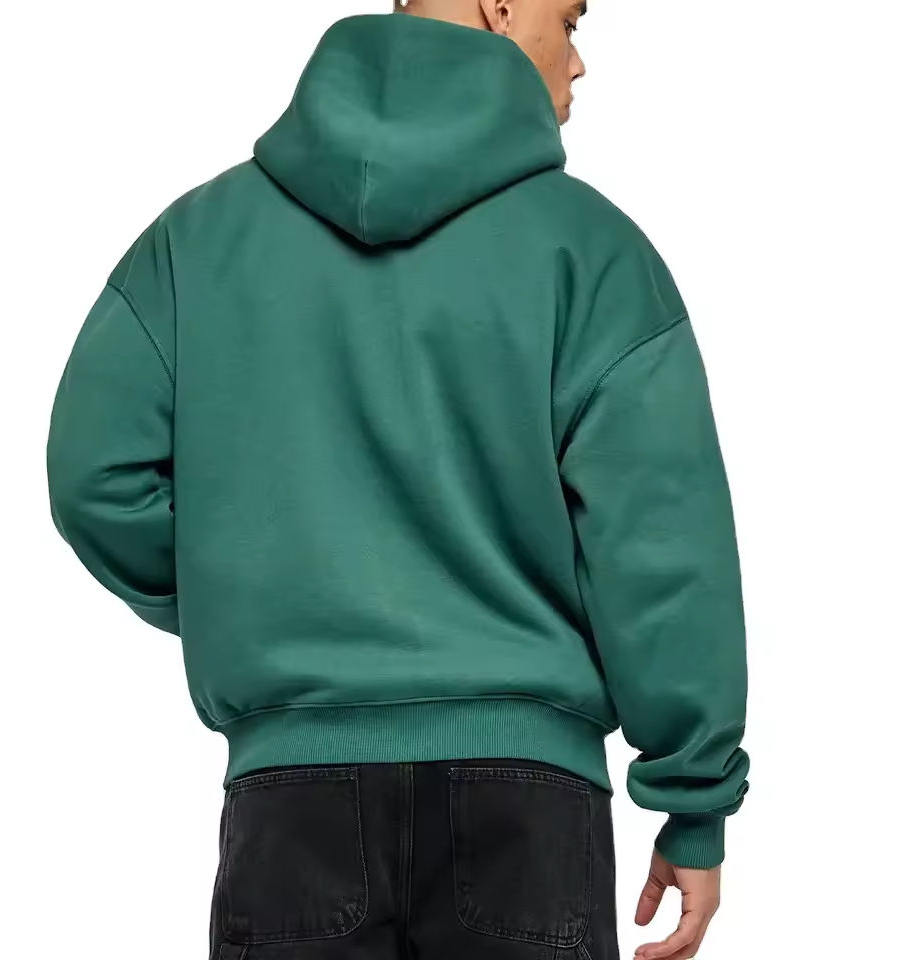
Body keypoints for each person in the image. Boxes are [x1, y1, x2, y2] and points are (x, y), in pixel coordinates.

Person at [45, 2, 750, 958]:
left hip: (292, 803)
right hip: (529, 811)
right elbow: (661, 542)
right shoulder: (593, 252)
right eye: (572, 20)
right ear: (503, 5)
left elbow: (94, 476)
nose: (579, 62)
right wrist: (693, 800)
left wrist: (251, 591)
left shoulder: (197, 240)